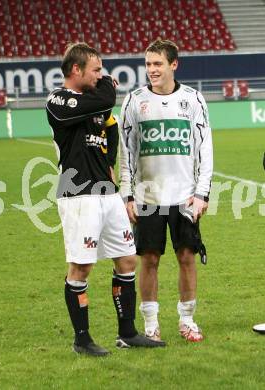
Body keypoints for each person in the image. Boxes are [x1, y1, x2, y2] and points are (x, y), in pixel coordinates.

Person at [46, 42, 165, 357]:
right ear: (76, 70)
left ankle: (127, 333)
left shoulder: (95, 105)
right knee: (81, 267)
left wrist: (109, 162)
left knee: (127, 260)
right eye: (96, 69)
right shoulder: (58, 100)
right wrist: (106, 86)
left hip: (107, 194)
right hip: (78, 194)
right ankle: (82, 339)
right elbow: (108, 96)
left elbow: (109, 129)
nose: (102, 75)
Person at [120, 39, 213, 343]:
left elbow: (205, 148)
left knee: (187, 257)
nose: (152, 70)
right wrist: (128, 195)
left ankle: (187, 320)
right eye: (148, 64)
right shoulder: (133, 101)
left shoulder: (193, 99)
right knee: (149, 259)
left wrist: (202, 193)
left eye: (157, 64)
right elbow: (127, 152)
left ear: (174, 64)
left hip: (185, 196)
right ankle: (150, 325)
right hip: (148, 197)